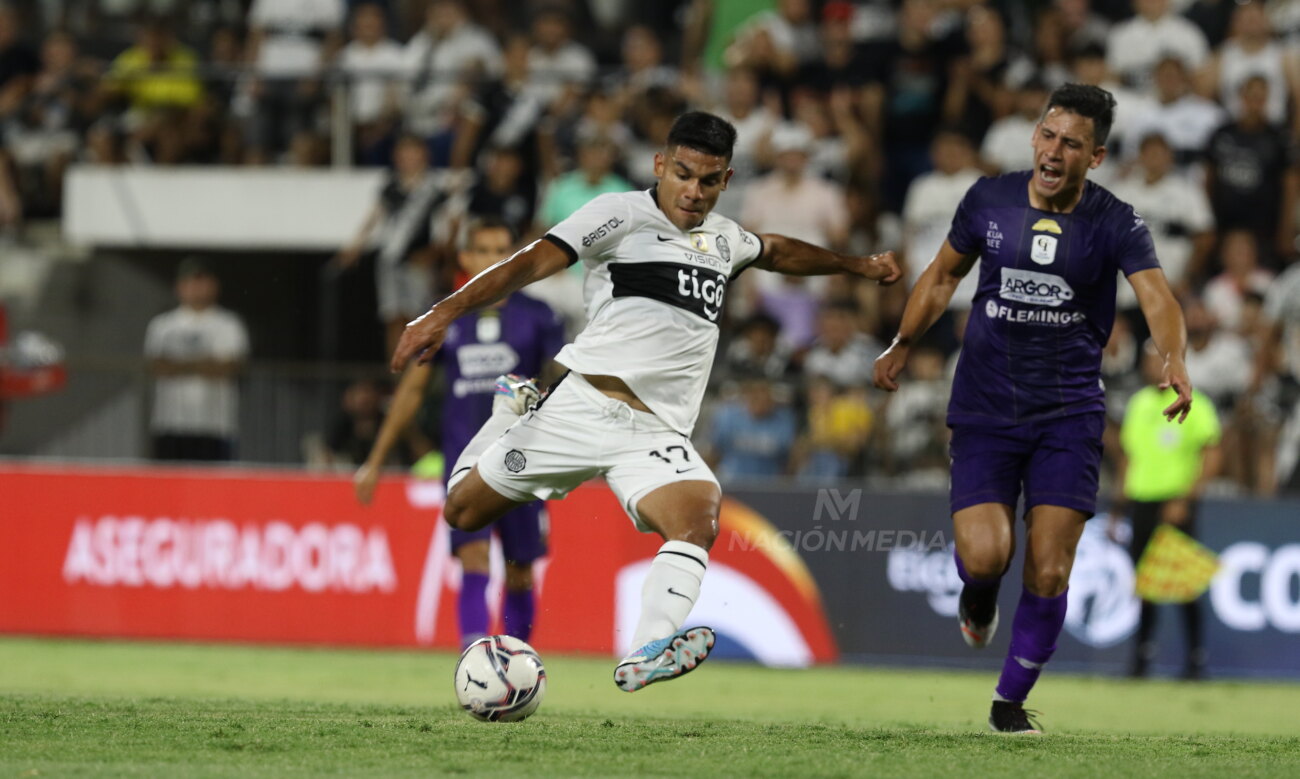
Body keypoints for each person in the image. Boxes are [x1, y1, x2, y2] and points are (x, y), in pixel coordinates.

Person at [391, 111, 901, 692]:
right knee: (462, 511)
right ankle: (506, 413)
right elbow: (530, 262)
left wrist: (856, 265)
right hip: (581, 406)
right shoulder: (618, 215)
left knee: (698, 517)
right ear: (661, 165)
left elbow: (778, 251)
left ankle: (644, 650)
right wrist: (442, 311)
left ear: (726, 180)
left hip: (655, 432)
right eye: (683, 174)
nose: (693, 190)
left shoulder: (725, 239)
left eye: (708, 181)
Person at [873, 84, 1193, 732]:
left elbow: (1157, 297)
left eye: (1071, 143)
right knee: (987, 555)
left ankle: (1009, 702)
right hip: (986, 405)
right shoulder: (988, 198)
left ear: (1095, 156)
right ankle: (979, 598)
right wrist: (904, 341)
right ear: (1034, 137)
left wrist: (1175, 359)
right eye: (1047, 135)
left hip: (1069, 414)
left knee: (1049, 566)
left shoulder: (1115, 220)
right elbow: (941, 275)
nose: (1053, 150)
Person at [355, 218, 564, 648]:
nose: (495, 260)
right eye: (485, 251)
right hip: (464, 460)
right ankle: (475, 657)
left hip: (524, 459)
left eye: (503, 251)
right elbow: (411, 392)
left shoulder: (538, 316)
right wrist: (376, 460)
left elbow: (560, 383)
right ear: (466, 258)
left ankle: (515, 659)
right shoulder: (446, 316)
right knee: (473, 558)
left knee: (520, 569)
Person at [1112, 341, 1222, 680]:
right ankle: (1142, 659)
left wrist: (1187, 499)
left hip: (1176, 503)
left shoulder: (1197, 403)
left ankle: (1195, 659)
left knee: (1184, 582)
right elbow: (1129, 456)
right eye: (1149, 359)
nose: (1153, 366)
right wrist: (1119, 505)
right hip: (1142, 501)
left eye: (1160, 360)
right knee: (1145, 584)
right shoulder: (1139, 403)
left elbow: (1212, 453)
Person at [335, 134, 447, 358]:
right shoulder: (391, 187)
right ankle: (396, 371)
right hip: (391, 259)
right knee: (392, 316)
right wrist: (355, 247)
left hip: (417, 260)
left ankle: (418, 372)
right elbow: (374, 218)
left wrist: (432, 255)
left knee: (418, 315)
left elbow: (444, 227)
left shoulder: (434, 189)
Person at [144, 258, 250, 462]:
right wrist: (204, 363)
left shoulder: (228, 324)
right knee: (169, 487)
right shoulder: (163, 325)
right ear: (179, 287)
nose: (196, 288)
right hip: (170, 422)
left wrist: (181, 365)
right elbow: (157, 366)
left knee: (212, 488)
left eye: (202, 282)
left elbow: (228, 367)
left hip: (215, 424)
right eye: (191, 282)